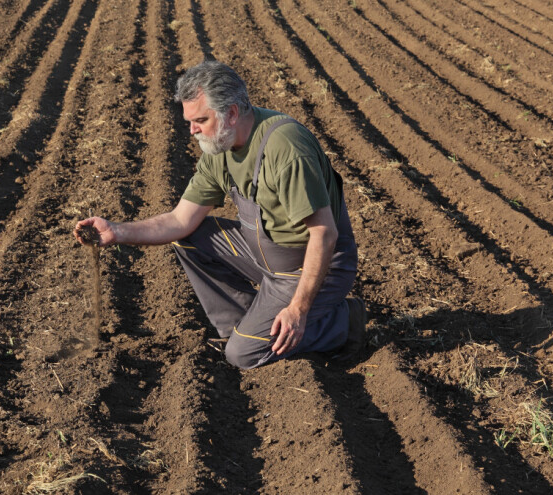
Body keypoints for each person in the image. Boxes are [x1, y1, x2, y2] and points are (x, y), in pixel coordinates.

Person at [74, 61, 366, 369]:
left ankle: (342, 322)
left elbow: (324, 233)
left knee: (243, 355)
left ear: (232, 113)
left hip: (310, 266)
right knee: (189, 238)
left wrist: (298, 309)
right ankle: (246, 326)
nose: (192, 130)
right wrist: (117, 231)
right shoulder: (220, 147)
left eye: (200, 119)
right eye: (190, 120)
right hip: (262, 255)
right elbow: (179, 221)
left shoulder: (285, 148)